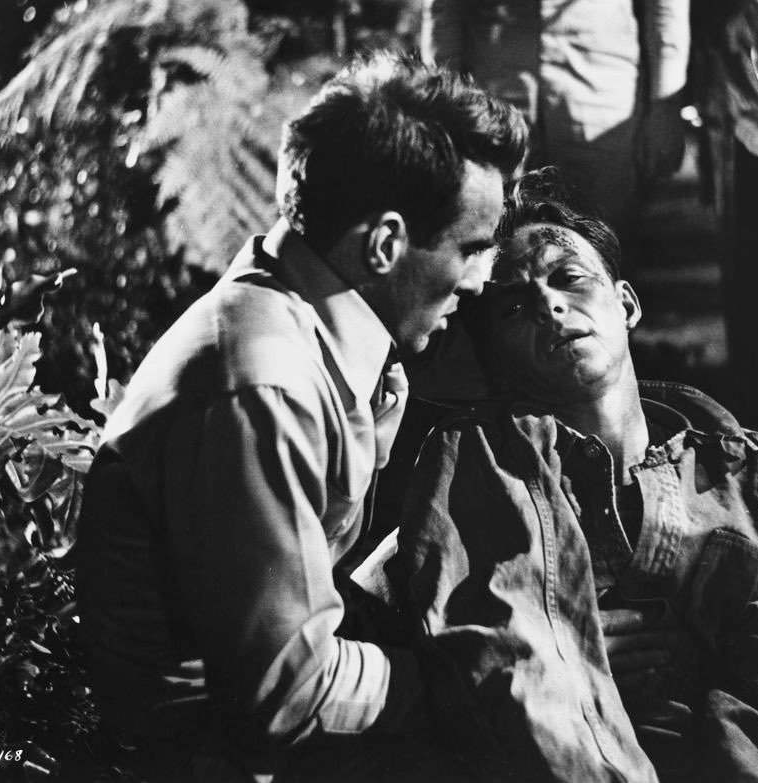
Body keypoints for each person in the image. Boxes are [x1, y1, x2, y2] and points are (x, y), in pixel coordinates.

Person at [76, 51, 527, 781]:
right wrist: (468, 679)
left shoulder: (309, 325)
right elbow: (286, 696)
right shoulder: (265, 386)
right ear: (384, 244)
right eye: (471, 249)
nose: (480, 280)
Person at [364, 167, 758, 781]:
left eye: (568, 278)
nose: (549, 304)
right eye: (514, 306)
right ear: (494, 361)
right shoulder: (481, 460)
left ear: (626, 303)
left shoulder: (748, 480)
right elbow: (499, 663)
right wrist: (578, 654)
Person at [420, 0, 689, 251]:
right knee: (495, 245)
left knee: (604, 245)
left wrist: (665, 105)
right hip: (496, 95)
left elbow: (665, 7)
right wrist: (445, 101)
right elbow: (444, 9)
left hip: (603, 99)